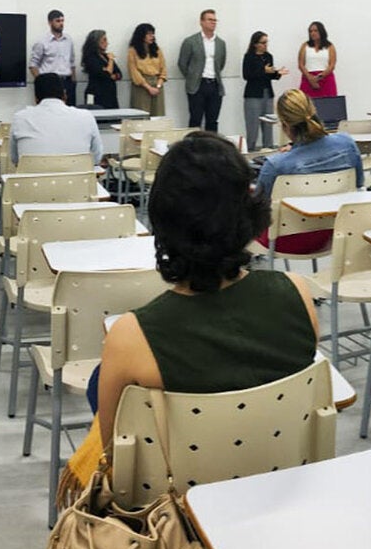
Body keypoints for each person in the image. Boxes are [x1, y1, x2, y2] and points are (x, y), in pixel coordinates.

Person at [96, 132, 320, 446]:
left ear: (161, 218)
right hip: (281, 477)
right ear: (248, 210)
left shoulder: (130, 335)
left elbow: (112, 453)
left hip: (177, 490)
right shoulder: (297, 292)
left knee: (100, 381)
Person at [253, 90, 363, 254]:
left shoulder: (275, 165)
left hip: (287, 239)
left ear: (285, 125)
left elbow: (258, 209)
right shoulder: (347, 143)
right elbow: (359, 184)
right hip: (336, 231)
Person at [9, 72, 103, 166]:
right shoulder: (86, 116)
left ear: (36, 98)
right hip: (78, 180)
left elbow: (15, 160)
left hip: (34, 180)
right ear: (65, 95)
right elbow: (97, 158)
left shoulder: (20, 118)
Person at [178, 9, 226, 131]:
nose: (213, 22)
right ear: (202, 22)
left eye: (215, 20)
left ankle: (212, 147)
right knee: (195, 119)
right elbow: (182, 63)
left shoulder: (220, 43)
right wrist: (192, 76)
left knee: (213, 120)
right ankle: (193, 148)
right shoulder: (190, 41)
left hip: (215, 84)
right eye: (210, 20)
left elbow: (221, 63)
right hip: (197, 85)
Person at [242, 31, 287, 150]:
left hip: (267, 93)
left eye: (266, 42)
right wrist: (263, 70)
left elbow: (269, 75)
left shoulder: (268, 56)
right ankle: (250, 150)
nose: (265, 45)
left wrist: (277, 73)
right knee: (253, 126)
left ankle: (269, 149)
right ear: (255, 44)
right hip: (253, 95)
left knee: (268, 125)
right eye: (263, 42)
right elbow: (246, 75)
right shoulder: (249, 57)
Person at [29, 9, 76, 104]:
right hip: (50, 83)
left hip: (67, 81)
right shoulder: (42, 41)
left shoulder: (68, 39)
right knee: (50, 111)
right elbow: (33, 65)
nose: (61, 23)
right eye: (58, 21)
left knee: (69, 110)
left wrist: (74, 81)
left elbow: (72, 61)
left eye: (62, 21)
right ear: (50, 22)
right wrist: (41, 82)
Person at [127, 23, 167, 117]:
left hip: (157, 83)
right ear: (141, 35)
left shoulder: (157, 50)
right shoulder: (133, 51)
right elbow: (133, 71)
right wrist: (149, 88)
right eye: (149, 34)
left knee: (158, 114)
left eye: (153, 34)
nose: (152, 36)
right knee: (142, 114)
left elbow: (163, 69)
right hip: (142, 85)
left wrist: (158, 85)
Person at [80, 29, 122, 109]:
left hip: (110, 93)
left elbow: (119, 74)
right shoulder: (90, 58)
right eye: (104, 40)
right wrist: (111, 61)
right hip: (97, 93)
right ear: (96, 41)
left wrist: (112, 74)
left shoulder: (106, 56)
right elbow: (105, 74)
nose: (107, 43)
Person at [297, 21, 338, 98]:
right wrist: (310, 78)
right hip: (308, 79)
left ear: (321, 31)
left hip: (326, 79)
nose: (312, 33)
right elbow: (301, 64)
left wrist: (319, 77)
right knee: (307, 104)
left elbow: (332, 65)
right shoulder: (304, 46)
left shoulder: (330, 46)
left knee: (328, 104)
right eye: (310, 31)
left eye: (315, 31)